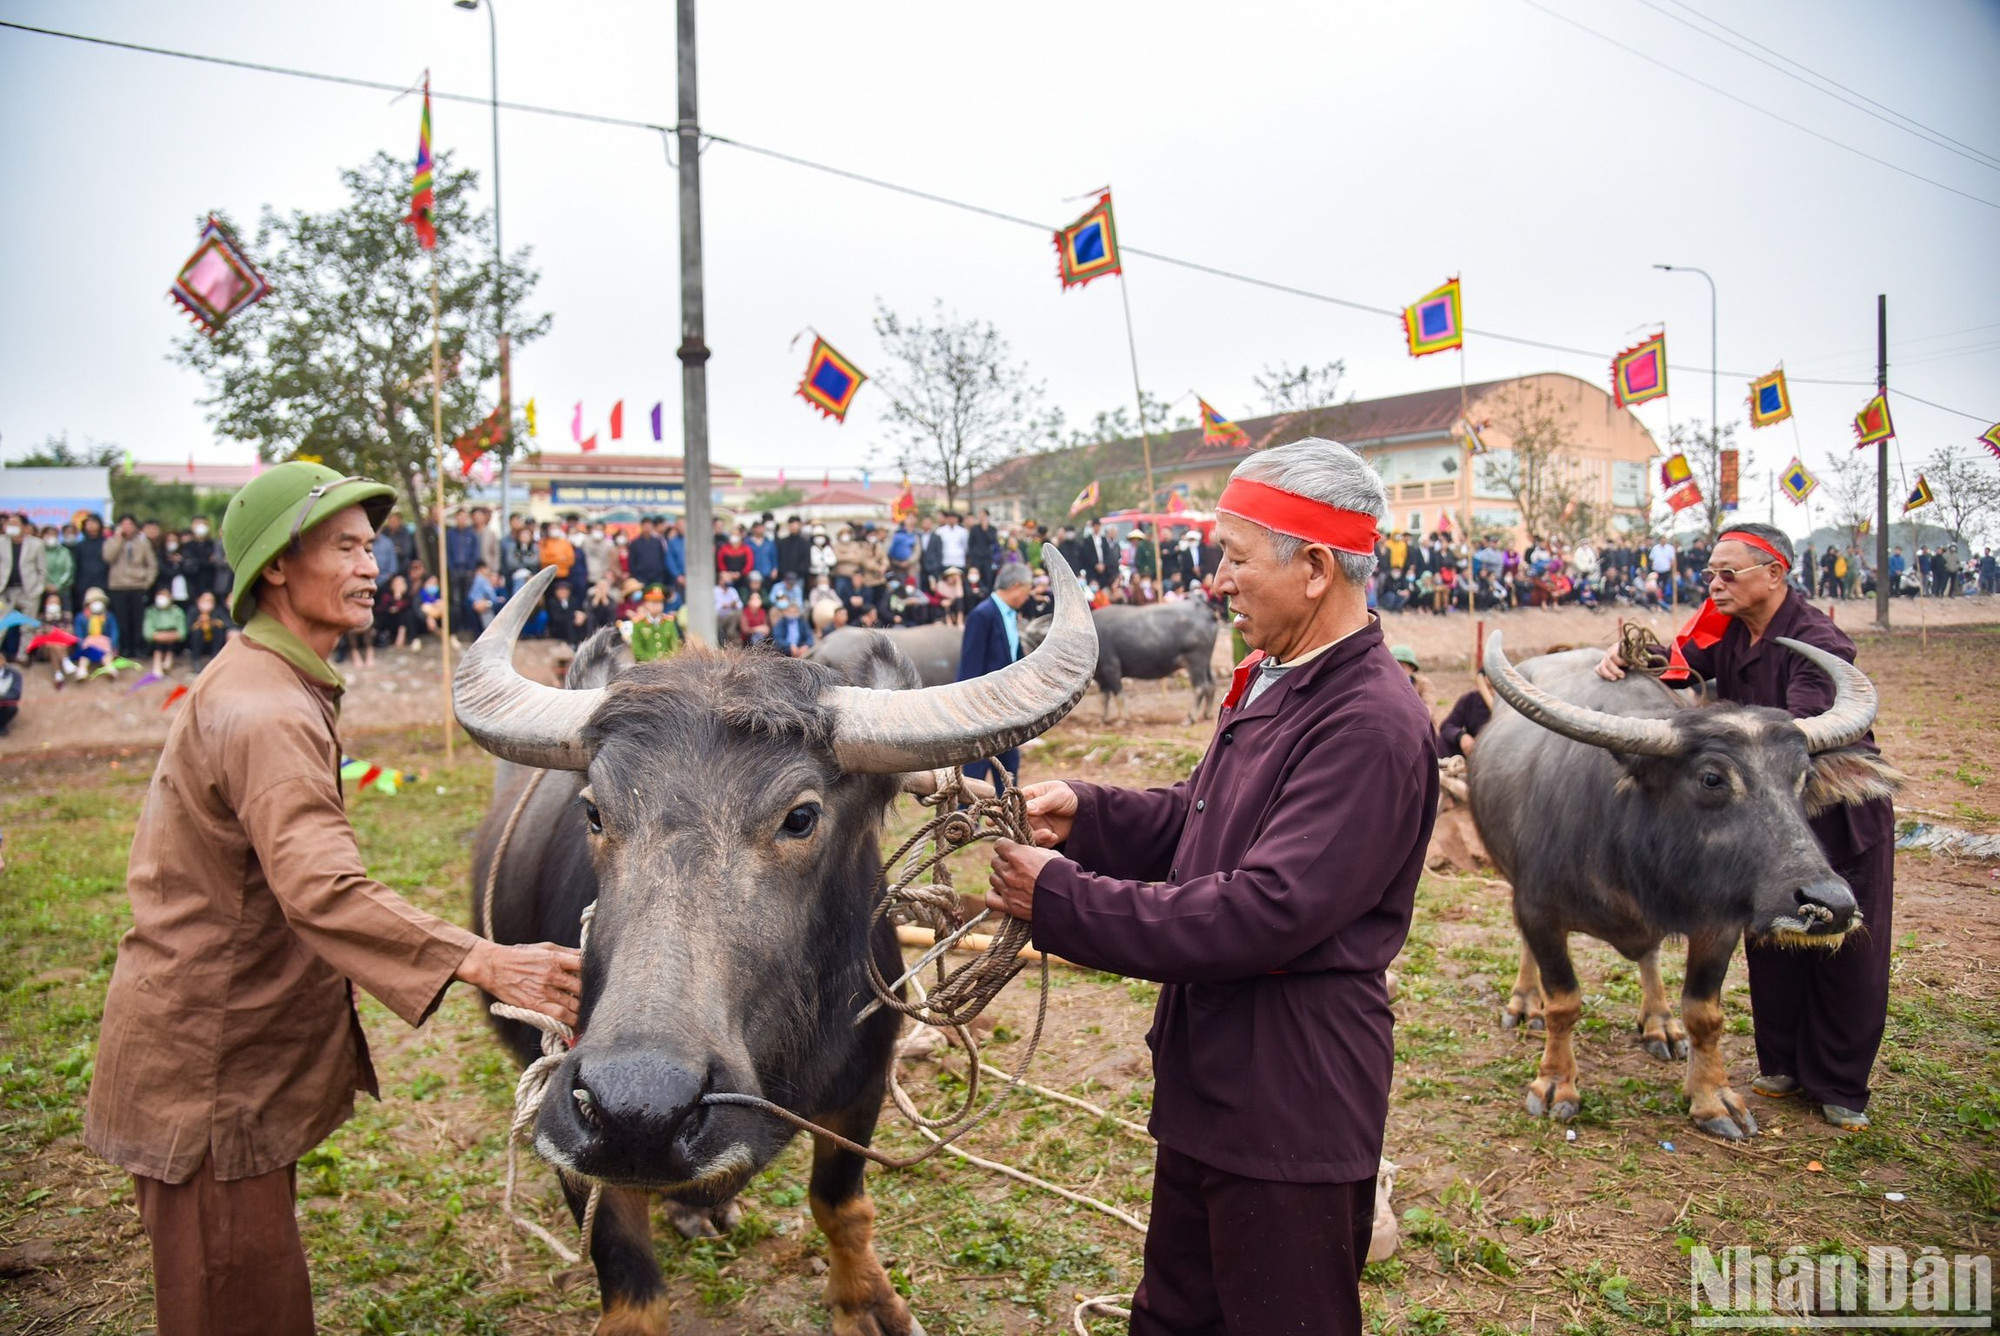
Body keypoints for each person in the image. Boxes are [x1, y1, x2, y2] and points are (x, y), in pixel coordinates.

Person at [84, 463, 581, 1336]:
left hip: (222, 1053)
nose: (373, 567)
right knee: (238, 1309)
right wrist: (486, 958)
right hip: (208, 1072)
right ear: (277, 565)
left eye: (373, 546)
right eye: (347, 547)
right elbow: (320, 889)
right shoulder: (267, 709)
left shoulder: (270, 684)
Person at [984, 438, 1437, 1335]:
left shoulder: (1371, 724)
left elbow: (1264, 909)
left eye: (1233, 558)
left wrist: (1064, 898)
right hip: (1213, 1078)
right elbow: (1201, 815)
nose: (1219, 582)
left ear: (1313, 568)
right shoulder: (1280, 680)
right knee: (1174, 1313)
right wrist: (1089, 812)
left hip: (1290, 1098)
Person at [1596, 521, 1893, 1130]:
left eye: (1728, 573)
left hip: (1828, 808)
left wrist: (1731, 743)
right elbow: (1679, 665)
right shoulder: (1724, 626)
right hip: (1752, 815)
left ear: (1774, 575)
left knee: (1842, 945)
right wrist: (1627, 655)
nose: (1715, 583)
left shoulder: (1817, 638)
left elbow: (1805, 729)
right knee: (1766, 935)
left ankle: (1838, 1083)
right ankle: (1781, 1063)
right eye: (1710, 573)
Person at [957, 562, 1035, 788]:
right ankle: (968, 822)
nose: (1028, 597)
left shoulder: (1010, 615)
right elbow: (970, 667)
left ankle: (1009, 819)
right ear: (1017, 586)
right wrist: (970, 709)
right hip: (983, 710)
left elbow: (1014, 657)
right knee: (974, 774)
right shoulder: (982, 615)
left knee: (1009, 771)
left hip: (1006, 708)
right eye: (1028, 591)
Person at [104, 515, 157, 658]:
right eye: (124, 524)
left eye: (130, 524)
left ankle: (138, 648)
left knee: (138, 619)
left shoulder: (143, 542)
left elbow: (152, 565)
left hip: (137, 586)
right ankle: (125, 648)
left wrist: (147, 583)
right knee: (122, 619)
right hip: (118, 586)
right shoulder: (111, 541)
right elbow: (108, 558)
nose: (127, 527)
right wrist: (119, 540)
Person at [1437, 671, 1494, 759]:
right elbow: (1447, 726)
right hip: (1472, 752)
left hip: (1499, 753)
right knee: (1439, 742)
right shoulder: (1470, 699)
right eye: (1488, 687)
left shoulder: (1512, 704)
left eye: (1496, 688)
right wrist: (1461, 736)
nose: (1492, 692)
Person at [144, 589, 188, 676]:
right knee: (159, 643)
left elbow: (182, 633)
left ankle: (168, 660)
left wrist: (170, 636)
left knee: (169, 639)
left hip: (173, 638)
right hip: (156, 638)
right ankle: (157, 662)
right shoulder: (151, 611)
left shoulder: (177, 612)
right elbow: (147, 632)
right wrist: (159, 636)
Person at [187, 591, 233, 669]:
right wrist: (199, 622)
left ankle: (214, 658)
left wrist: (213, 621)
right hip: (198, 644)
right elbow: (189, 628)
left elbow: (227, 624)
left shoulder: (218, 611)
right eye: (204, 600)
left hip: (213, 644)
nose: (207, 602)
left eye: (210, 600)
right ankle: (196, 660)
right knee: (197, 632)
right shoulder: (193, 611)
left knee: (218, 629)